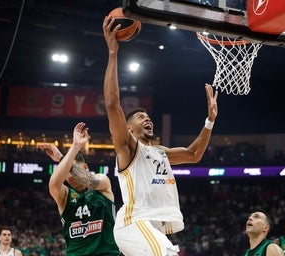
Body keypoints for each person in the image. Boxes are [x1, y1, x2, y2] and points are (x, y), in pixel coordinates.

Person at [102, 15, 218, 256]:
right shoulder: (129, 147)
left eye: (148, 116)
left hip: (152, 225)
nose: (147, 119)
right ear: (129, 127)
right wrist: (113, 53)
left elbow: (194, 154)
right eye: (140, 117)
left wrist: (210, 121)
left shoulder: (159, 152)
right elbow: (113, 105)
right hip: (135, 221)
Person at [38, 122, 120, 256]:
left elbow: (88, 180)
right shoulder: (64, 196)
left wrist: (62, 157)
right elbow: (53, 184)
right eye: (66, 172)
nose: (69, 176)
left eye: (72, 169)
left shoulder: (102, 183)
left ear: (86, 168)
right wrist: (66, 158)